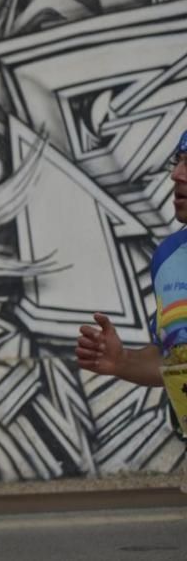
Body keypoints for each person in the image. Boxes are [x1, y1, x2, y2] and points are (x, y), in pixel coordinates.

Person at [76, 130, 187, 438]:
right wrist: (122, 361)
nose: (176, 175)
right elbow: (173, 358)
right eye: (178, 162)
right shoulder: (167, 259)